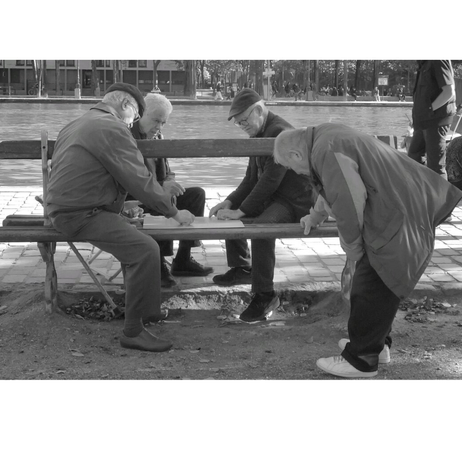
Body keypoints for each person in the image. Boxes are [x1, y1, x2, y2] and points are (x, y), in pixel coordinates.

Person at [273, 123, 462, 378]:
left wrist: (352, 248)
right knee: (381, 283)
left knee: (369, 284)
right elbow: (332, 184)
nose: (292, 171)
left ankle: (361, 360)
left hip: (399, 212)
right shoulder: (324, 138)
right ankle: (376, 347)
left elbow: (348, 200)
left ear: (296, 155)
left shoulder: (325, 150)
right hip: (404, 201)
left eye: (289, 166)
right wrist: (315, 216)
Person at [46, 82, 195, 353]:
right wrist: (174, 212)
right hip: (79, 214)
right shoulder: (112, 127)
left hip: (70, 208)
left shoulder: (78, 122)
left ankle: (146, 312)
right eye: (136, 115)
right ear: (126, 105)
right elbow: (139, 180)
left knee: (138, 242)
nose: (133, 122)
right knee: (145, 249)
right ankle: (133, 332)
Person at [209, 89, 314, 323]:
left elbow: (269, 181)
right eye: (238, 123)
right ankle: (243, 268)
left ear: (258, 110)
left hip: (295, 201)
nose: (242, 125)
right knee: (231, 215)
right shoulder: (259, 132)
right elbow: (250, 178)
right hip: (276, 196)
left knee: (261, 226)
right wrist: (230, 202)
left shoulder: (280, 132)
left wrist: (241, 210)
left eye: (244, 120)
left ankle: (265, 295)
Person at [129, 93, 213, 287]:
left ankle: (183, 259)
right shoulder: (128, 136)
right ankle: (157, 266)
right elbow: (131, 181)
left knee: (196, 195)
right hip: (136, 199)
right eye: (156, 120)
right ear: (141, 114)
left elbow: (167, 171)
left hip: (157, 192)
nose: (159, 127)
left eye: (163, 123)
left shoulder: (158, 136)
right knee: (160, 201)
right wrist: (161, 188)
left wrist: (169, 183)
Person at [408, 60, 456, 179]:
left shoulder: (438, 59)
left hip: (436, 120)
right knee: (414, 156)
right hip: (423, 120)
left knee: (435, 166)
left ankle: (441, 196)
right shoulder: (424, 63)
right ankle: (421, 190)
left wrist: (428, 110)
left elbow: (449, 91)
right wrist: (417, 118)